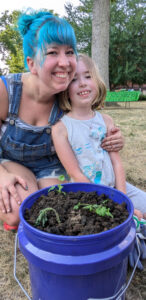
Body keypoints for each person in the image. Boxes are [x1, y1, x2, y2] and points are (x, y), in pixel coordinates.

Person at [0, 11, 124, 231]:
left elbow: (92, 122)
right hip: (12, 162)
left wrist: (114, 136)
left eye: (69, 52)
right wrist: (2, 176)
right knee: (18, 212)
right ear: (32, 63)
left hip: (52, 167)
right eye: (52, 52)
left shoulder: (68, 93)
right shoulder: (6, 91)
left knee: (63, 209)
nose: (65, 63)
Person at [52, 53, 146, 220]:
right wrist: (115, 206)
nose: (82, 83)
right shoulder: (60, 129)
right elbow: (75, 174)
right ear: (65, 89)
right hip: (87, 195)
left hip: (118, 187)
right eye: (74, 79)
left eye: (88, 76)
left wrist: (123, 199)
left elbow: (117, 163)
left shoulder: (106, 121)